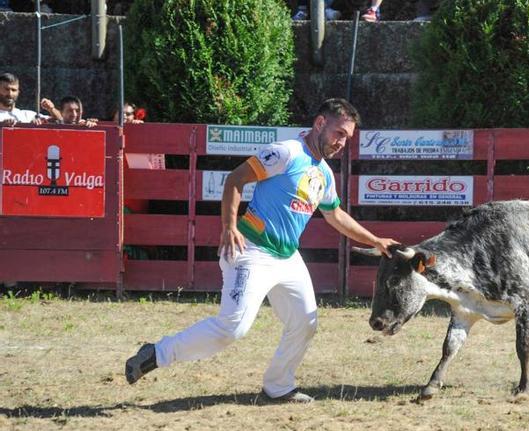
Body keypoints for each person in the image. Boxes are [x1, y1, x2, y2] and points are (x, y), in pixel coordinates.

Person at [125, 98, 398, 403]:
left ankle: (278, 386)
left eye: (347, 137)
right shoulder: (286, 152)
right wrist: (229, 227)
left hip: (287, 257)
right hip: (251, 249)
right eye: (339, 133)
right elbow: (235, 179)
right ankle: (156, 353)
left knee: (305, 323)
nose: (342, 142)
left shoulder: (324, 173)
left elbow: (334, 215)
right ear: (320, 124)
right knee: (233, 328)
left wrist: (375, 240)